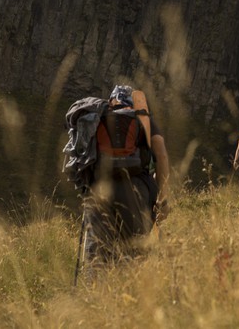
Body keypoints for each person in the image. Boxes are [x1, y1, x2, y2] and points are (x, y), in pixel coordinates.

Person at [64, 83, 170, 274]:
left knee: (96, 259)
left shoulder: (96, 118)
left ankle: (92, 298)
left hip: (98, 193)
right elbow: (161, 156)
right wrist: (162, 199)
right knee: (134, 254)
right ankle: (128, 298)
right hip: (135, 190)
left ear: (112, 100)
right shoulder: (142, 118)